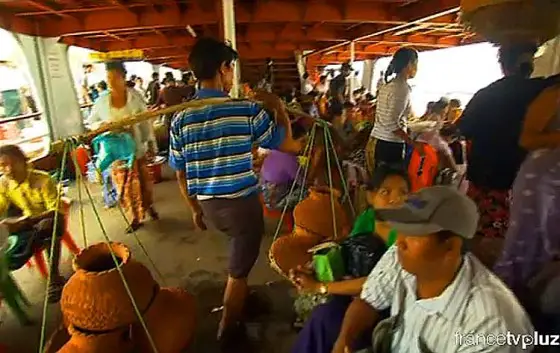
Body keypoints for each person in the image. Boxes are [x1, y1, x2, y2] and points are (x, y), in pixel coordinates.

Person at [168, 37, 304, 346]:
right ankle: (228, 329)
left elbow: (180, 170)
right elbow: (288, 145)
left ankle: (241, 299)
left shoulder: (180, 118)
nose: (232, 77)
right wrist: (279, 108)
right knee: (239, 269)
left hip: (210, 205)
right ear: (222, 69)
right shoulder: (245, 110)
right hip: (242, 207)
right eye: (231, 69)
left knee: (238, 255)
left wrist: (193, 208)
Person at [332, 186, 534, 353]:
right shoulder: (403, 255)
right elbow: (369, 300)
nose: (399, 241)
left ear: (450, 247)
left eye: (414, 233)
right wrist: (344, 341)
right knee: (327, 317)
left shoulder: (490, 325)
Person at [291, 167, 410, 353]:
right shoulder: (367, 219)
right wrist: (315, 268)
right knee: (321, 315)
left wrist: (319, 286)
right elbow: (347, 253)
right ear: (370, 196)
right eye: (386, 192)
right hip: (354, 294)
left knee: (326, 319)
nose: (396, 199)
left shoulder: (406, 236)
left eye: (403, 193)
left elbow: (377, 284)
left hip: (386, 305)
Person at [457, 43, 555, 267]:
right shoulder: (540, 91)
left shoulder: (485, 94)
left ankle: (479, 275)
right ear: (528, 64)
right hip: (516, 179)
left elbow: (465, 128)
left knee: (481, 232)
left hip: (483, 175)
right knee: (513, 239)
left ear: (503, 65)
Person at [494, 81, 560, 304]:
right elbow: (527, 139)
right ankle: (512, 310)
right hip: (542, 184)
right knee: (528, 243)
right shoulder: (554, 95)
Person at [88, 61, 159, 233]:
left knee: (143, 184)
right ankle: (134, 217)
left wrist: (150, 143)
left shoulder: (135, 97)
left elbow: (146, 121)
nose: (111, 81)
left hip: (136, 148)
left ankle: (148, 207)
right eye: (108, 77)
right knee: (124, 187)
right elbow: (92, 123)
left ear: (123, 77)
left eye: (115, 77)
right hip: (115, 151)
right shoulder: (102, 101)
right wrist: (107, 124)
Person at [0, 145, 66, 303]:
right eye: (2, 166)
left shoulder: (43, 179)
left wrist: (25, 221)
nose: (8, 170)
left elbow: (55, 210)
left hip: (47, 220)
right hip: (26, 224)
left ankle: (54, 278)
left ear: (24, 161)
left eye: (11, 164)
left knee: (49, 226)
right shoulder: (4, 183)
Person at [366, 47, 423, 174]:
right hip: (389, 145)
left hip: (378, 140)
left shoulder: (389, 85)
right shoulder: (401, 88)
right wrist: (413, 143)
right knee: (390, 184)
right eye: (416, 64)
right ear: (409, 64)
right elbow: (391, 123)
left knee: (379, 183)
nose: (417, 68)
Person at [260, 122, 309, 210]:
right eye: (302, 141)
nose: (305, 145)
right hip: (274, 202)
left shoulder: (275, 151)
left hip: (265, 193)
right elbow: (304, 182)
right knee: (308, 192)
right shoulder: (290, 160)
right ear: (289, 140)